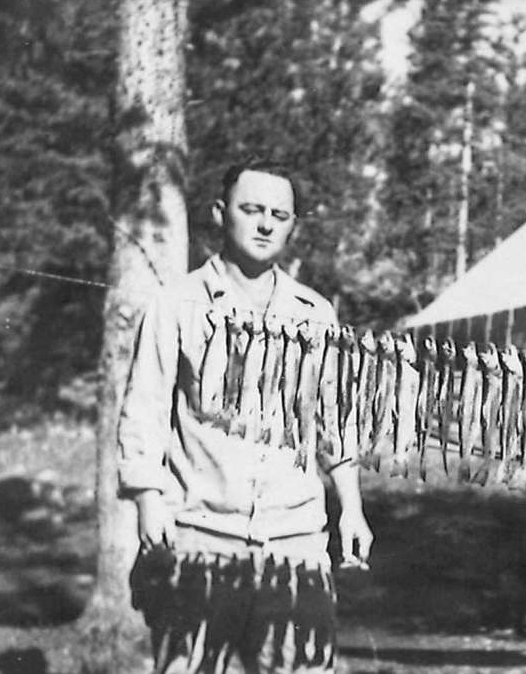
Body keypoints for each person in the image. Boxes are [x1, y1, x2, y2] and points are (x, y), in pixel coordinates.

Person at [118, 158, 374, 673]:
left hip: (295, 544)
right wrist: (148, 502)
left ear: (293, 225)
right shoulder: (177, 304)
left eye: (278, 215)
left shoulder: (314, 313)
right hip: (201, 538)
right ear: (220, 213)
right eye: (251, 209)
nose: (264, 225)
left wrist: (351, 507)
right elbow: (143, 410)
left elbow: (333, 419)